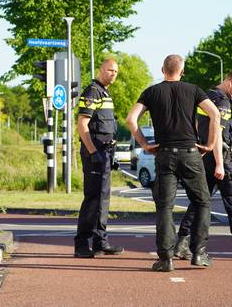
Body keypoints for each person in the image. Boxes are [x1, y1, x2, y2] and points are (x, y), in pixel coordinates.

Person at [126, 54, 222, 272]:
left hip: (165, 154)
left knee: (165, 207)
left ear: (162, 69)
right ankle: (198, 253)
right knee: (202, 202)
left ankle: (165, 259)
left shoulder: (151, 92)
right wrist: (209, 143)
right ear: (182, 71)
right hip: (191, 153)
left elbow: (131, 119)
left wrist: (144, 144)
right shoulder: (194, 90)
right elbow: (215, 114)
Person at [175, 69, 232, 261]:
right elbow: (217, 133)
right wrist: (220, 163)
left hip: (207, 157)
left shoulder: (207, 97)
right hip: (221, 159)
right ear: (230, 81)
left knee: (199, 202)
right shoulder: (223, 102)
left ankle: (181, 243)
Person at [74, 58, 124, 258]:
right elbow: (82, 125)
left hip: (105, 152)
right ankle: (81, 244)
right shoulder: (92, 91)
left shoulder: (105, 92)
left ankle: (100, 241)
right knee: (93, 199)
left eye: (116, 71)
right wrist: (93, 153)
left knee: (103, 199)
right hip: (95, 152)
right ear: (100, 70)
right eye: (110, 70)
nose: (113, 74)